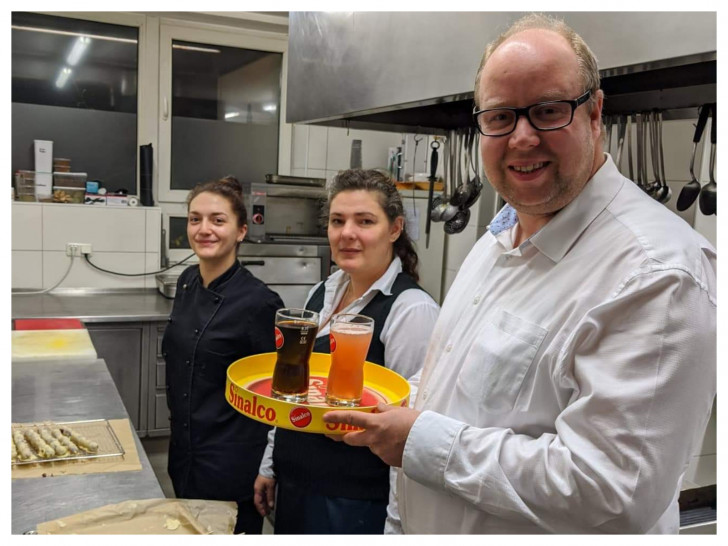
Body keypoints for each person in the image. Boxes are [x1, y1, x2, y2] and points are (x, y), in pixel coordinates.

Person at [323, 14, 717, 534]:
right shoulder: (499, 238)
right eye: (501, 117)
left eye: (548, 111)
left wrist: (419, 440)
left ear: (595, 113)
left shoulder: (659, 273)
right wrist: (385, 406)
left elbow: (612, 493)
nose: (522, 138)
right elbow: (457, 386)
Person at [253, 169, 440, 534]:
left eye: (365, 221)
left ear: (395, 229)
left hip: (352, 503)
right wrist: (269, 464)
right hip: (296, 485)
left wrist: (397, 525)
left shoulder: (410, 310)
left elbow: (409, 432)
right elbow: (293, 390)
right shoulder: (322, 293)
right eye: (337, 221)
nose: (347, 233)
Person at [162, 176, 284, 534]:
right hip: (185, 456)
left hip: (232, 467)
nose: (204, 229)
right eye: (195, 218)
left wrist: (269, 468)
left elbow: (277, 395)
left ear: (241, 231)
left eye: (218, 220)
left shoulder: (259, 302)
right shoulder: (186, 281)